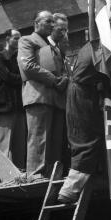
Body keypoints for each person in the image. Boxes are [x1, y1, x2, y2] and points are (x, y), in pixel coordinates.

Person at [58, 19, 111, 204]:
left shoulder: (94, 45)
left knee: (88, 137)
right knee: (88, 140)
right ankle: (69, 190)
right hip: (83, 98)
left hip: (79, 94)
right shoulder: (104, 52)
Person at [18, 11, 68, 178]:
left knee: (54, 141)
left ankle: (53, 175)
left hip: (56, 99)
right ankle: (36, 176)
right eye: (48, 21)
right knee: (39, 139)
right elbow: (28, 66)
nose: (52, 25)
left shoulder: (53, 46)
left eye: (53, 22)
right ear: (36, 23)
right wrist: (55, 80)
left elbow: (61, 69)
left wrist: (65, 79)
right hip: (38, 97)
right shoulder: (27, 40)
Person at [37, 13, 69, 168]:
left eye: (65, 30)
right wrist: (60, 80)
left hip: (60, 101)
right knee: (44, 140)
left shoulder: (59, 49)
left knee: (58, 141)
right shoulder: (43, 46)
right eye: (60, 29)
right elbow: (46, 71)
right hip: (44, 98)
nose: (63, 33)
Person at [0, 29, 26, 170]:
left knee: (19, 144)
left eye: (20, 38)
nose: (19, 41)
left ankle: (19, 174)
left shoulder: (19, 57)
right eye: (16, 38)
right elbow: (8, 77)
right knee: (2, 143)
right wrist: (25, 78)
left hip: (19, 105)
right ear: (7, 39)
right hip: (4, 106)